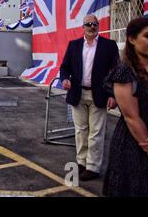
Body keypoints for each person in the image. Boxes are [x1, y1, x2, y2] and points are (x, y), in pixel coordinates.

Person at [60, 14, 120, 181]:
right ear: (83, 27)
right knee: (80, 131)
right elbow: (64, 67)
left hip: (99, 95)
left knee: (96, 132)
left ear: (98, 26)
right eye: (88, 24)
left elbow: (116, 72)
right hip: (78, 94)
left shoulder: (109, 46)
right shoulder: (74, 45)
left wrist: (113, 95)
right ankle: (81, 163)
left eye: (95, 24)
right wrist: (64, 79)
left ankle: (93, 167)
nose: (92, 27)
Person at [102, 17, 148, 197]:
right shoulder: (125, 72)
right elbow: (131, 116)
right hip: (133, 143)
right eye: (147, 36)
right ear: (131, 39)